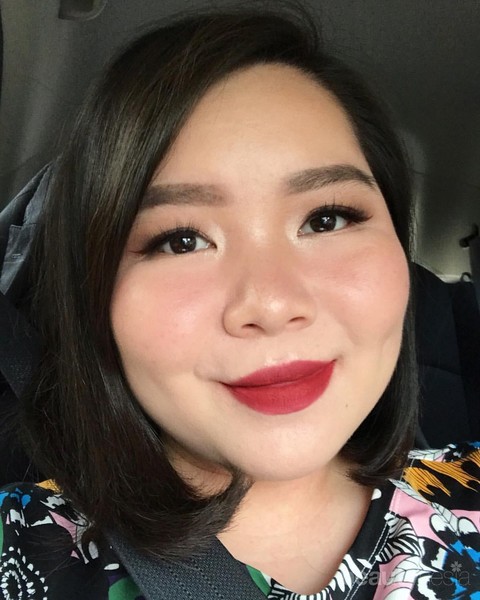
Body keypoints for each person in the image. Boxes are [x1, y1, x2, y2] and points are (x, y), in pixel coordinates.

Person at [1, 4, 479, 599]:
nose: (272, 304)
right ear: (93, 298)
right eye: (181, 240)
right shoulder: (23, 548)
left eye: (326, 219)